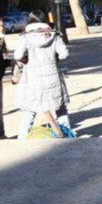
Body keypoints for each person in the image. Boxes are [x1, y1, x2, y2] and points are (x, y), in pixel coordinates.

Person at [14, 10, 71, 139]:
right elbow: (64, 54)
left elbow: (17, 55)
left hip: (33, 79)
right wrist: (55, 58)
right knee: (60, 109)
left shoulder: (26, 36)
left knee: (29, 110)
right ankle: (68, 137)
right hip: (53, 77)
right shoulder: (52, 34)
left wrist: (26, 60)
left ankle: (22, 140)